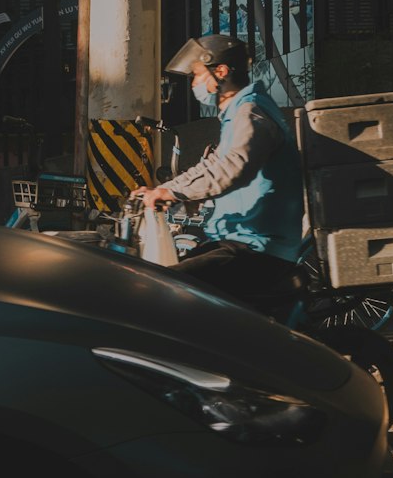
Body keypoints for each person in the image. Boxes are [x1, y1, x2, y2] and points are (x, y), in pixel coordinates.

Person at [131, 33, 306, 318]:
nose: (194, 84)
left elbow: (233, 168)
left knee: (165, 287)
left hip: (257, 247)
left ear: (221, 71)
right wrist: (162, 190)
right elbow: (211, 164)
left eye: (197, 75)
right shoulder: (237, 113)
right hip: (240, 240)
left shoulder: (251, 113)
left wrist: (174, 193)